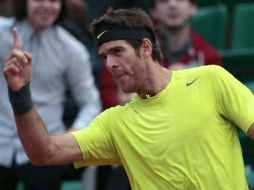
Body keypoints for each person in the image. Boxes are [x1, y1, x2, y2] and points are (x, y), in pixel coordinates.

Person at [3, 8, 254, 190]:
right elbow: (44, 153)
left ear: (145, 48)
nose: (110, 64)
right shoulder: (115, 123)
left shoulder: (211, 79)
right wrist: (20, 92)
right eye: (104, 57)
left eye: (117, 52)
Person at [0, 0, 101, 189]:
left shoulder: (71, 49)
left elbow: (91, 102)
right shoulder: (2, 33)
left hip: (45, 146)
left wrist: (75, 133)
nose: (47, 6)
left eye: (54, 0)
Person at [150, 0, 222, 70]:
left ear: (192, 7)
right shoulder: (141, 52)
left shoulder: (209, 58)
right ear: (154, 10)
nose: (172, 4)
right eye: (164, 1)